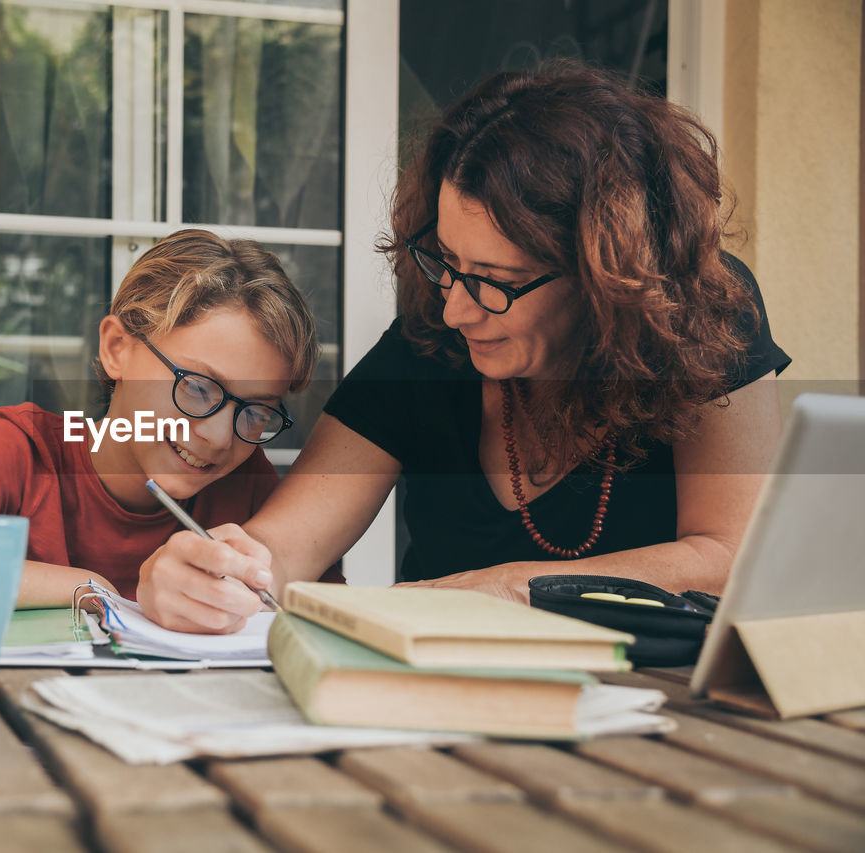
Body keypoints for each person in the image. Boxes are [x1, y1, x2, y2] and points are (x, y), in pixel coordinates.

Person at [137, 60, 790, 634]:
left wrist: (510, 588)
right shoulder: (430, 338)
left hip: (659, 711)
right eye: (446, 261)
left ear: (605, 279)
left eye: (495, 282)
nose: (455, 306)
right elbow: (284, 546)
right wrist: (212, 575)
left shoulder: (704, 314)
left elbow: (727, 557)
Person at [0, 229, 319, 605]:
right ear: (116, 349)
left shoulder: (247, 486)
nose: (220, 436)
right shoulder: (21, 450)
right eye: (198, 388)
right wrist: (91, 588)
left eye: (257, 411)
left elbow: (325, 613)